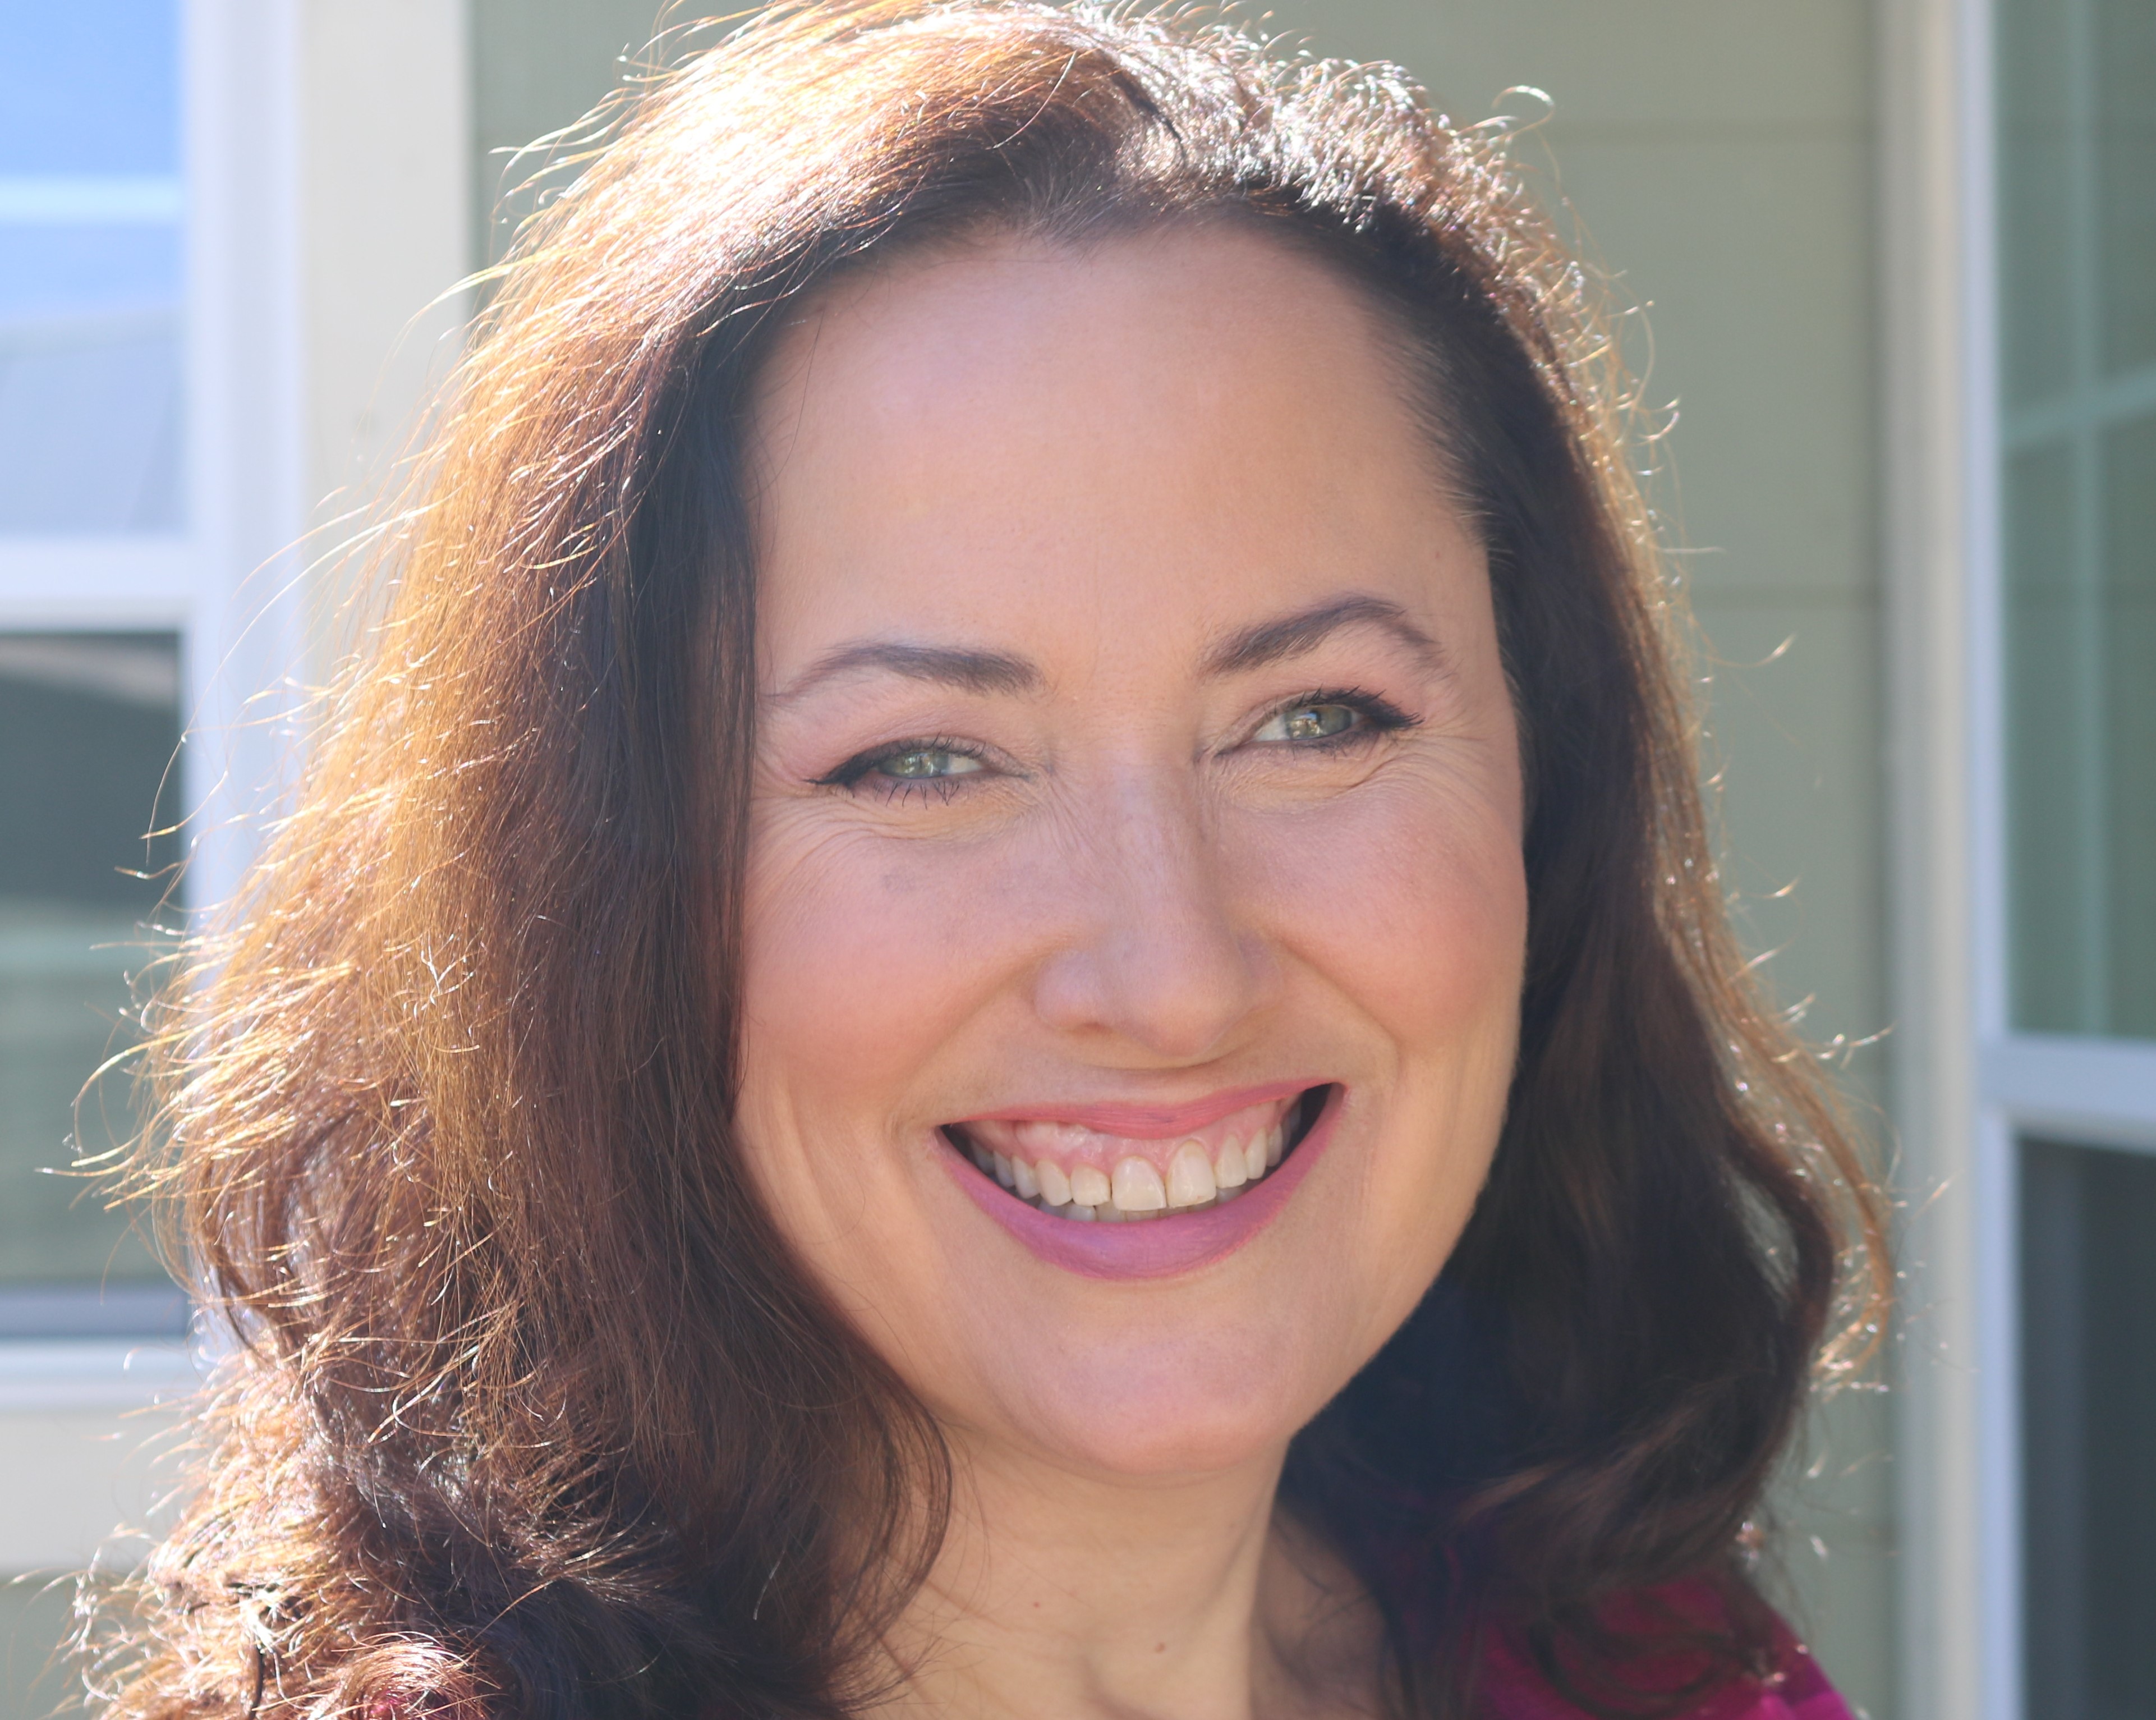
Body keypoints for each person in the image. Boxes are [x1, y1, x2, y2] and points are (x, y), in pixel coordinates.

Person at [99, 4, 1882, 1717]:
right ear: (592, 907)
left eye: (1316, 718)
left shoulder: (1667, 1677)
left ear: (1543, 785)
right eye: (921, 759)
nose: (1171, 970)